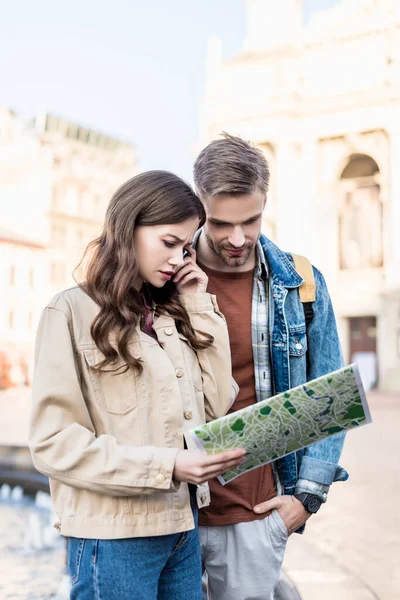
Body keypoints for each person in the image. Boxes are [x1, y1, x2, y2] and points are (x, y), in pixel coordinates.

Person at [29, 170, 246, 600]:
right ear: (129, 227)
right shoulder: (69, 312)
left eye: (186, 247)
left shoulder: (173, 314)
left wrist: (199, 304)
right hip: (113, 540)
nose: (179, 259)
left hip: (182, 528)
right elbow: (53, 443)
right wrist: (168, 466)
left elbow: (219, 403)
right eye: (169, 243)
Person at [192, 134, 349, 600]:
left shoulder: (299, 283)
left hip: (254, 518)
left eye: (251, 221)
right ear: (198, 205)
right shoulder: (159, 279)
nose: (237, 239)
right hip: (170, 515)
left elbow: (330, 398)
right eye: (221, 224)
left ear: (266, 202)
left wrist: (305, 500)